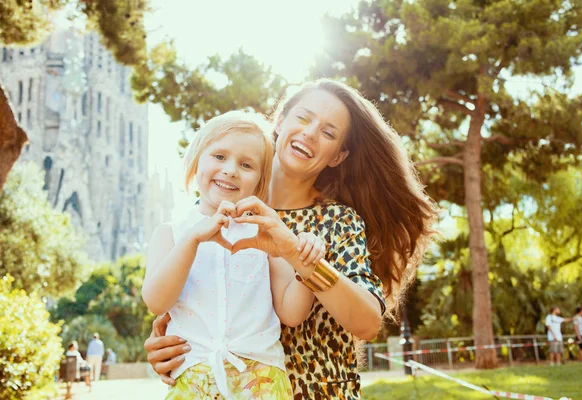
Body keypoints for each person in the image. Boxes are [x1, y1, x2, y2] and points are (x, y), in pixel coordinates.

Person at [144, 79, 438, 399]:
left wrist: (302, 256)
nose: (310, 133)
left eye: (328, 132)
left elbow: (367, 323)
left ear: (338, 156)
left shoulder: (336, 221)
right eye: (303, 117)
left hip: (317, 391)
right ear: (280, 121)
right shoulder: (211, 219)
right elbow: (180, 300)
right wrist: (171, 343)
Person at [142, 110, 326, 399]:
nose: (230, 169)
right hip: (194, 375)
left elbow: (292, 314)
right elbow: (157, 301)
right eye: (219, 156)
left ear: (259, 181)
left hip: (262, 377)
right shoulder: (171, 233)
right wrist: (192, 240)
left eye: (246, 164)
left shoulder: (265, 234)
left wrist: (305, 263)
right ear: (196, 160)